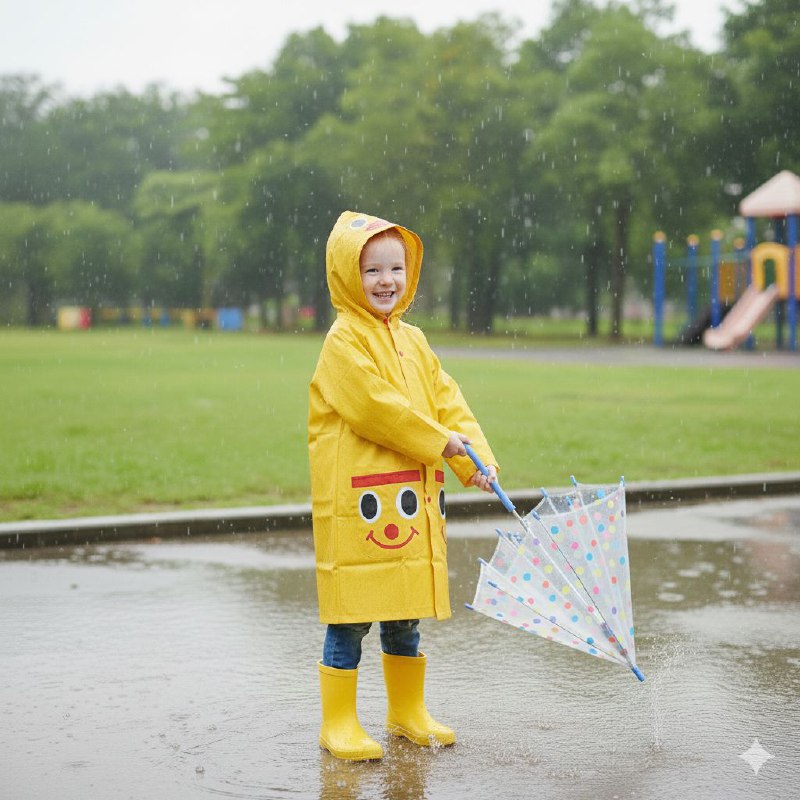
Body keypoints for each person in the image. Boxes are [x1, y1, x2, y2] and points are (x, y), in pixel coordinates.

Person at [308, 210, 498, 761]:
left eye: (396, 268)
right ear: (348, 276)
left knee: (404, 615)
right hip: (360, 501)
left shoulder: (414, 341)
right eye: (372, 270)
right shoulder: (343, 342)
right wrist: (442, 445)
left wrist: (475, 461)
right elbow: (376, 409)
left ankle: (406, 711)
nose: (386, 280)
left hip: (410, 501)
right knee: (350, 619)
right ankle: (339, 722)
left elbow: (446, 400)